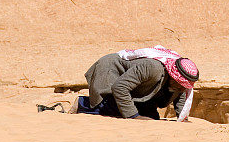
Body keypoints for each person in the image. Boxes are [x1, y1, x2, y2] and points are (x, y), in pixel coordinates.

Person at [70, 46, 199, 121]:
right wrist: (133, 116)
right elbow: (120, 87)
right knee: (115, 110)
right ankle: (82, 104)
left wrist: (182, 117)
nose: (182, 89)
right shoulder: (153, 69)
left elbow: (181, 92)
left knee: (151, 116)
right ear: (172, 75)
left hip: (133, 84)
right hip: (111, 72)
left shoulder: (177, 82)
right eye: (180, 84)